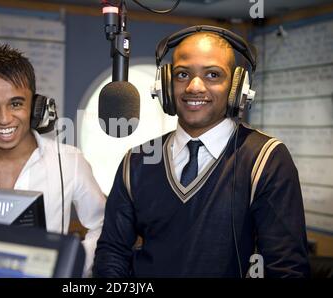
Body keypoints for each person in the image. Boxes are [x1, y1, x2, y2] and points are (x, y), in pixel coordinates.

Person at [93, 26, 310, 277]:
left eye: (213, 75)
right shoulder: (138, 160)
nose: (194, 87)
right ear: (165, 85)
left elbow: (286, 269)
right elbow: (112, 253)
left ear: (237, 89)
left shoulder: (267, 158)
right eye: (182, 74)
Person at [0, 44, 106, 277]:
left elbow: (103, 225)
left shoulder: (69, 162)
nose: (4, 119)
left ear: (36, 107)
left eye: (16, 104)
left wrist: (71, 265)